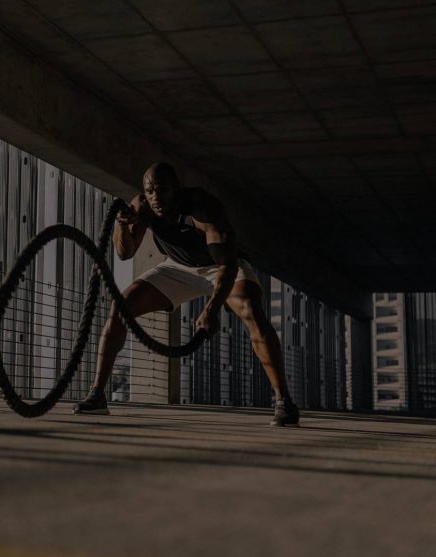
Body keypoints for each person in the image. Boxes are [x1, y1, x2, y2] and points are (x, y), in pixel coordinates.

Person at [73, 162, 299, 427]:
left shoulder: (203, 207)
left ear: (176, 189)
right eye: (150, 191)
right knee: (121, 306)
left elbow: (226, 265)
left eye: (163, 190)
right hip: (178, 267)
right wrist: (122, 225)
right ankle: (98, 395)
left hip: (221, 267)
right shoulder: (143, 206)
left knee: (251, 311)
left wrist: (212, 309)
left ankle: (284, 402)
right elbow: (125, 253)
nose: (156, 197)